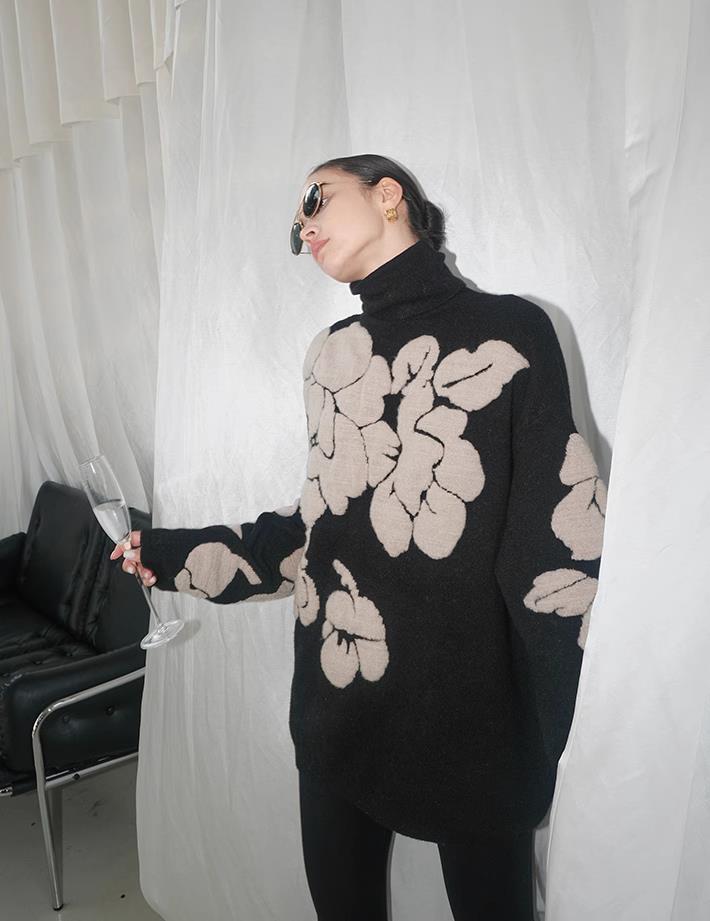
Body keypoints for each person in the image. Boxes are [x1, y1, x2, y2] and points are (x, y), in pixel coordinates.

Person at [111, 153, 607, 921]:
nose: (304, 227)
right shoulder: (331, 354)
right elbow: (321, 526)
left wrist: (566, 729)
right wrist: (169, 554)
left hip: (470, 717)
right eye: (295, 225)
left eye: (316, 198)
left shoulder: (513, 331)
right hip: (338, 702)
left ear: (388, 194)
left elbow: (556, 537)